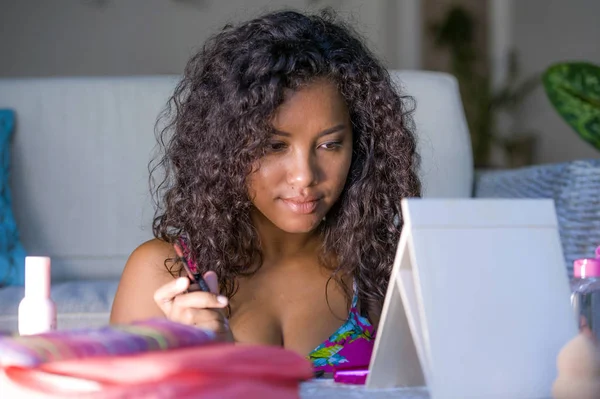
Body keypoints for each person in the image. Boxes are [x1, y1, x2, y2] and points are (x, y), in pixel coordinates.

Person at [110, 8, 421, 372]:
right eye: (275, 146)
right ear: (226, 146)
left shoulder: (379, 271)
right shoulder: (163, 276)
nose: (304, 177)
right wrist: (205, 371)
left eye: (330, 145)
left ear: (361, 145)